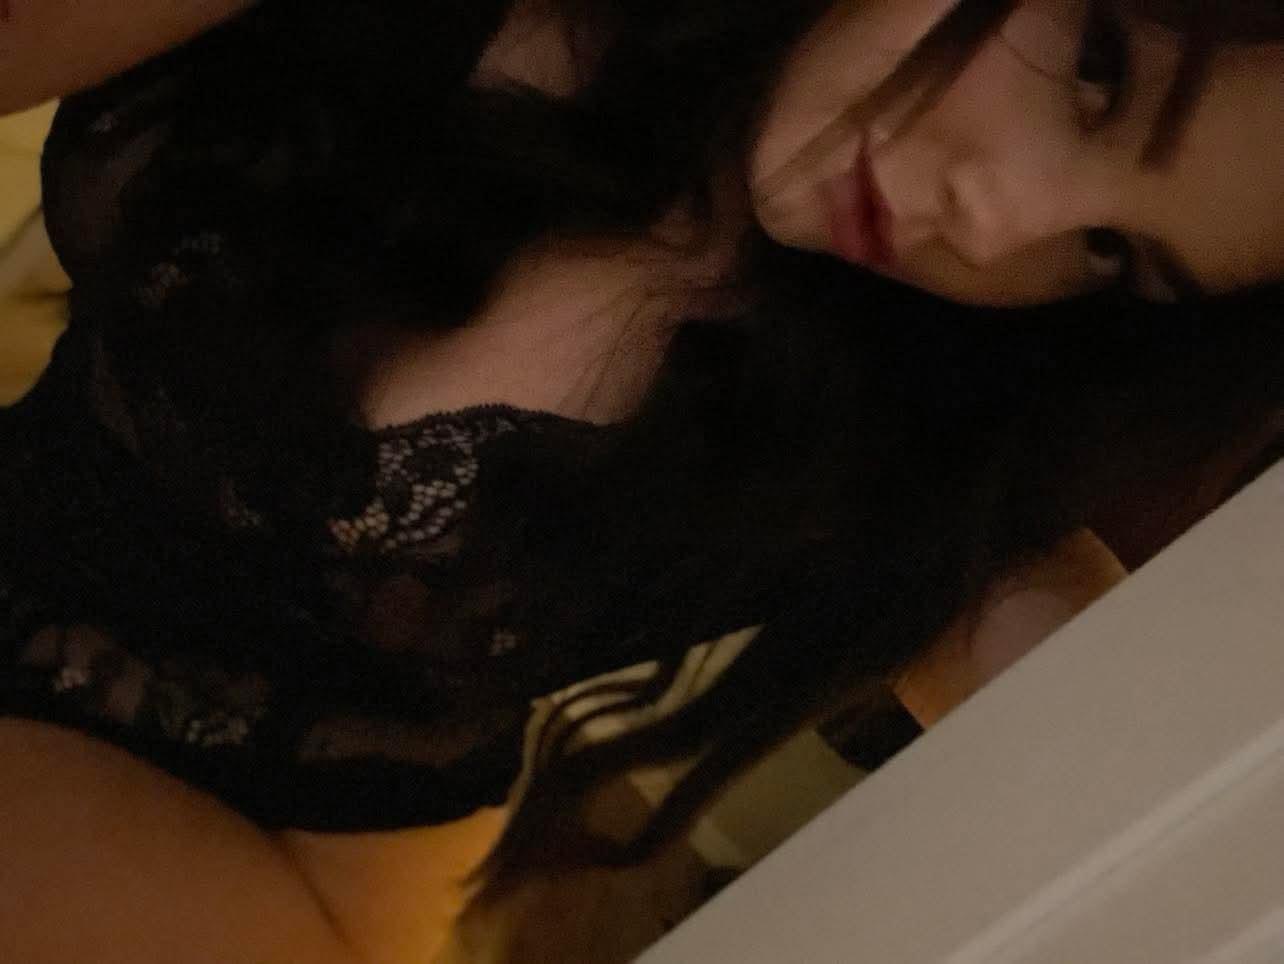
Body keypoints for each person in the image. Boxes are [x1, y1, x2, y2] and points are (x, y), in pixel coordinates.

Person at [1, 1, 1280, 961]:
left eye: (1110, 250)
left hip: (316, 838)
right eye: (1098, 68)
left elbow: (1074, 675)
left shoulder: (924, 406)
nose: (999, 227)